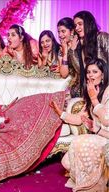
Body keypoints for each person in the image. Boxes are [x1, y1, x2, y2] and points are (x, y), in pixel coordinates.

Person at [51, 58, 109, 191]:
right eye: (88, 72)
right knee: (66, 162)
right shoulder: (92, 92)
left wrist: (94, 99)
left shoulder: (107, 91)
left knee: (78, 142)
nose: (91, 75)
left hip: (106, 137)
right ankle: (99, 174)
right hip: (101, 134)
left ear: (103, 74)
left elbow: (106, 119)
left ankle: (101, 178)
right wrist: (61, 113)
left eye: (95, 72)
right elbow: (79, 119)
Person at [68, 10, 109, 96]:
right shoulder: (80, 44)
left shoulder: (102, 37)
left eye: (80, 24)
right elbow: (81, 70)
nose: (77, 28)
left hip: (105, 85)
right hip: (90, 87)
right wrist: (72, 50)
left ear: (88, 23)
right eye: (75, 26)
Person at [57, 17, 80, 98]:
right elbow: (64, 74)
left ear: (72, 31)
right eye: (58, 32)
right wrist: (65, 52)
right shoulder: (61, 49)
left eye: (63, 31)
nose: (60, 35)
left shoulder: (79, 45)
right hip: (69, 83)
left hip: (81, 83)